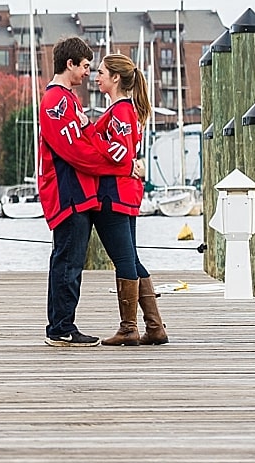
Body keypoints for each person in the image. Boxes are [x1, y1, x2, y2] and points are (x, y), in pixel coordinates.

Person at [38, 36, 143, 346]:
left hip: (80, 193)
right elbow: (76, 152)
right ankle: (60, 328)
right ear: (69, 64)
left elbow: (90, 143)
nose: (88, 73)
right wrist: (124, 168)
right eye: (85, 66)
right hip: (68, 192)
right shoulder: (57, 102)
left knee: (68, 260)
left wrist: (120, 162)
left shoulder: (69, 100)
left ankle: (63, 325)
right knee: (68, 261)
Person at [88, 52, 169, 345]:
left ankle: (128, 328)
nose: (96, 77)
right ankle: (155, 326)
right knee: (131, 257)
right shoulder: (125, 111)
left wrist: (89, 133)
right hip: (124, 191)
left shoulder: (120, 111)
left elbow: (120, 151)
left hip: (114, 192)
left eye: (100, 73)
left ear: (115, 78)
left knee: (122, 259)